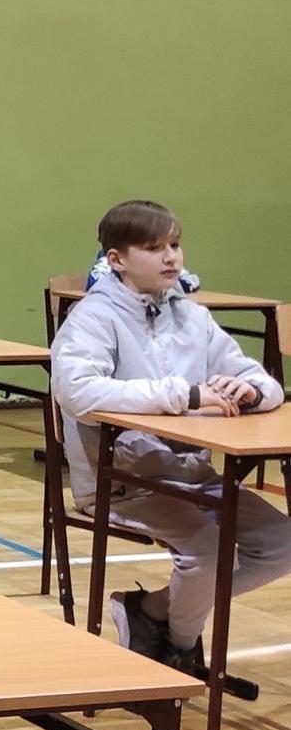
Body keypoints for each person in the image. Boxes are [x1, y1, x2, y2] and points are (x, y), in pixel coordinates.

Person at [51, 197, 291, 674]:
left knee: (282, 542)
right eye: (153, 248)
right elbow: (77, 390)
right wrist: (185, 393)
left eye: (175, 245)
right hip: (122, 481)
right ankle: (180, 651)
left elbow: (262, 380)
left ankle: (152, 612)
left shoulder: (191, 316)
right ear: (116, 259)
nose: (171, 258)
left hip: (192, 475)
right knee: (208, 551)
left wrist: (251, 392)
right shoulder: (93, 317)